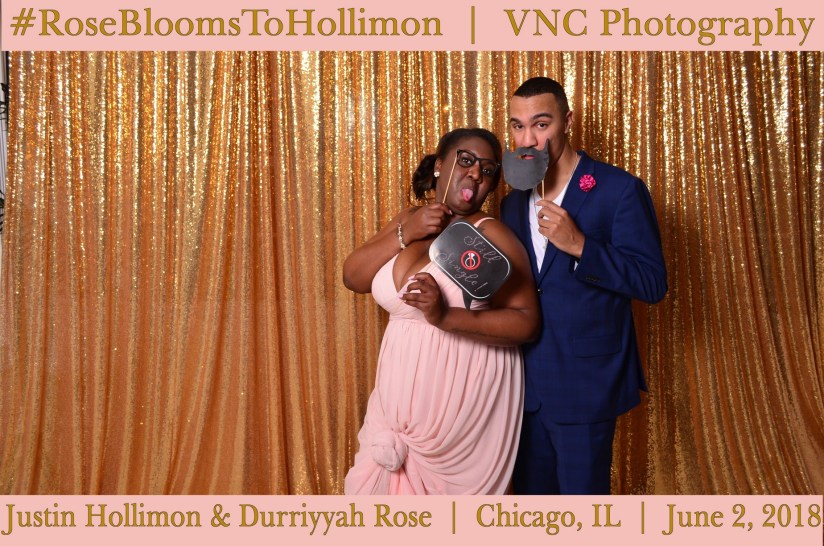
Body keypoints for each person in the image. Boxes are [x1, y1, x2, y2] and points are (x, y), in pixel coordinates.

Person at [343, 127, 540, 494]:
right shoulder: (409, 220)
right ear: (439, 165)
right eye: (466, 161)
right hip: (395, 404)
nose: (476, 174)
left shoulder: (489, 235)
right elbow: (353, 277)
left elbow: (527, 323)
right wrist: (406, 231)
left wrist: (445, 316)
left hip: (456, 406)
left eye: (487, 169)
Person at [500, 77, 668, 494]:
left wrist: (580, 246)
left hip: (586, 382)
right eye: (518, 126)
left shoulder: (618, 189)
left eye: (541, 124)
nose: (528, 139)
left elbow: (651, 283)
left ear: (567, 121)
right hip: (522, 390)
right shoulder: (512, 202)